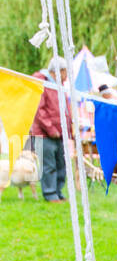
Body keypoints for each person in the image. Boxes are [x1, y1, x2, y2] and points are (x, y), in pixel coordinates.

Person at [30, 59, 71, 202]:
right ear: (57, 71)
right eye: (65, 71)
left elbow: (64, 110)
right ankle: (50, 194)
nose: (67, 75)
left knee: (61, 164)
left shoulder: (59, 86)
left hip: (60, 133)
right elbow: (38, 109)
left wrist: (68, 129)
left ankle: (58, 192)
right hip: (44, 134)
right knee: (49, 165)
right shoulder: (42, 83)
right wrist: (51, 129)